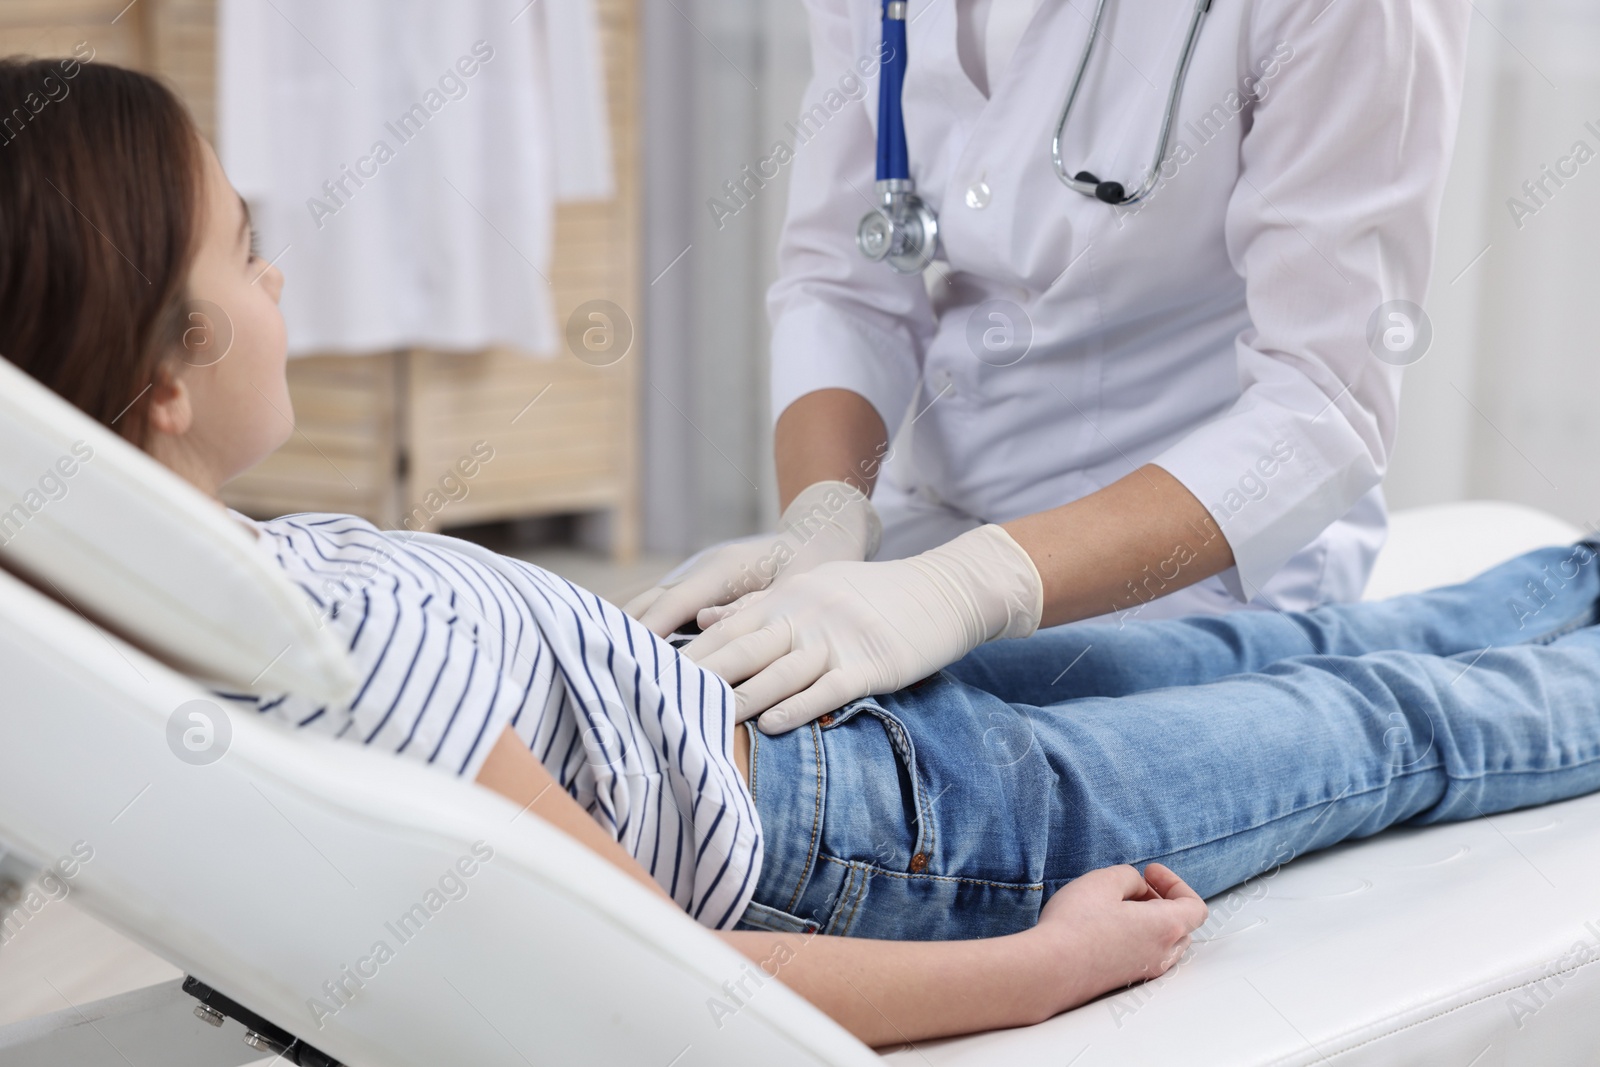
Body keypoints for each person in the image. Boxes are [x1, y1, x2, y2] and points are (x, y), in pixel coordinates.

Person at [9, 58, 1600, 1051]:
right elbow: (673, 973)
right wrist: (1041, 968)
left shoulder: (212, 586)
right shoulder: (302, 665)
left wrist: (852, 573)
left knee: (1291, 648)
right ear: (160, 369)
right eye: (247, 245)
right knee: (1380, 729)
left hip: (823, 713)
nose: (282, 266)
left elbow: (1320, 401)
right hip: (900, 834)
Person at [626, 0, 1475, 737]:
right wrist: (820, 524)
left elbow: (1324, 404)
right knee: (661, 688)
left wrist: (975, 586)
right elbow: (841, 282)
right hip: (939, 526)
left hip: (1197, 576)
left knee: (860, 781)